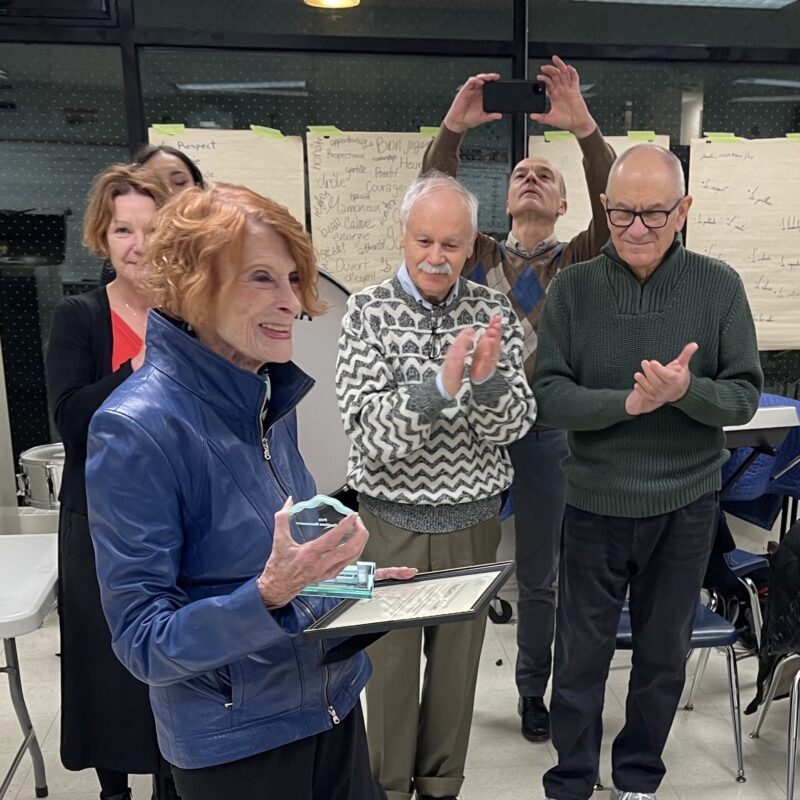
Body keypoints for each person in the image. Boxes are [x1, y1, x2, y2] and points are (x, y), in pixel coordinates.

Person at [84, 182, 414, 800]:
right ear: (190, 283)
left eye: (292, 279)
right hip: (237, 743)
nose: (291, 302)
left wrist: (355, 588)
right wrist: (269, 594)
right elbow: (143, 642)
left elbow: (275, 568)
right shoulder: (136, 429)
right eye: (262, 278)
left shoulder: (266, 395)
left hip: (331, 707)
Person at [532, 144, 763, 800]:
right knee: (578, 659)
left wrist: (685, 391)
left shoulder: (718, 286)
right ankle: (570, 782)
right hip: (595, 501)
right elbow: (547, 392)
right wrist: (627, 404)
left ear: (684, 209)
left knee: (663, 658)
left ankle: (638, 779)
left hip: (687, 501)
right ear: (604, 210)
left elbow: (743, 394)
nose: (636, 228)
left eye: (655, 214)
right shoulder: (574, 287)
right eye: (623, 213)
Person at [421, 55, 615, 742]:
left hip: (546, 436)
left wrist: (585, 129)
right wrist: (452, 127)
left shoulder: (583, 260)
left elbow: (613, 199)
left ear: (562, 205)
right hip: (471, 435)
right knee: (452, 562)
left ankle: (534, 692)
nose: (531, 179)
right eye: (519, 175)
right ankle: (438, 692)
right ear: (504, 201)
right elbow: (430, 197)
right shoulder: (474, 257)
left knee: (539, 578)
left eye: (546, 177)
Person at [335, 172, 536, 800]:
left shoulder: (493, 311)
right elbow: (371, 434)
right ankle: (388, 790)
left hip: (473, 522)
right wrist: (442, 388)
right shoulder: (365, 311)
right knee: (388, 674)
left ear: (472, 243)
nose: (435, 257)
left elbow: (514, 425)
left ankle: (442, 787)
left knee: (456, 676)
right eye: (424, 239)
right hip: (388, 526)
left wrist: (488, 382)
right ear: (403, 233)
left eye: (451, 244)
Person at [45, 164, 177, 800]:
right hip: (95, 523)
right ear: (103, 236)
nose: (139, 244)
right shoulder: (80, 316)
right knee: (105, 666)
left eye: (151, 229)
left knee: (172, 664)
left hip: (176, 518)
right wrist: (140, 363)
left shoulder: (190, 313)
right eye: (123, 229)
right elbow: (72, 419)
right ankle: (114, 790)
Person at [100, 146, 204, 285]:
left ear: (198, 187)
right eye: (155, 183)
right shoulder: (127, 255)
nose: (169, 191)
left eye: (180, 182)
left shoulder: (217, 241)